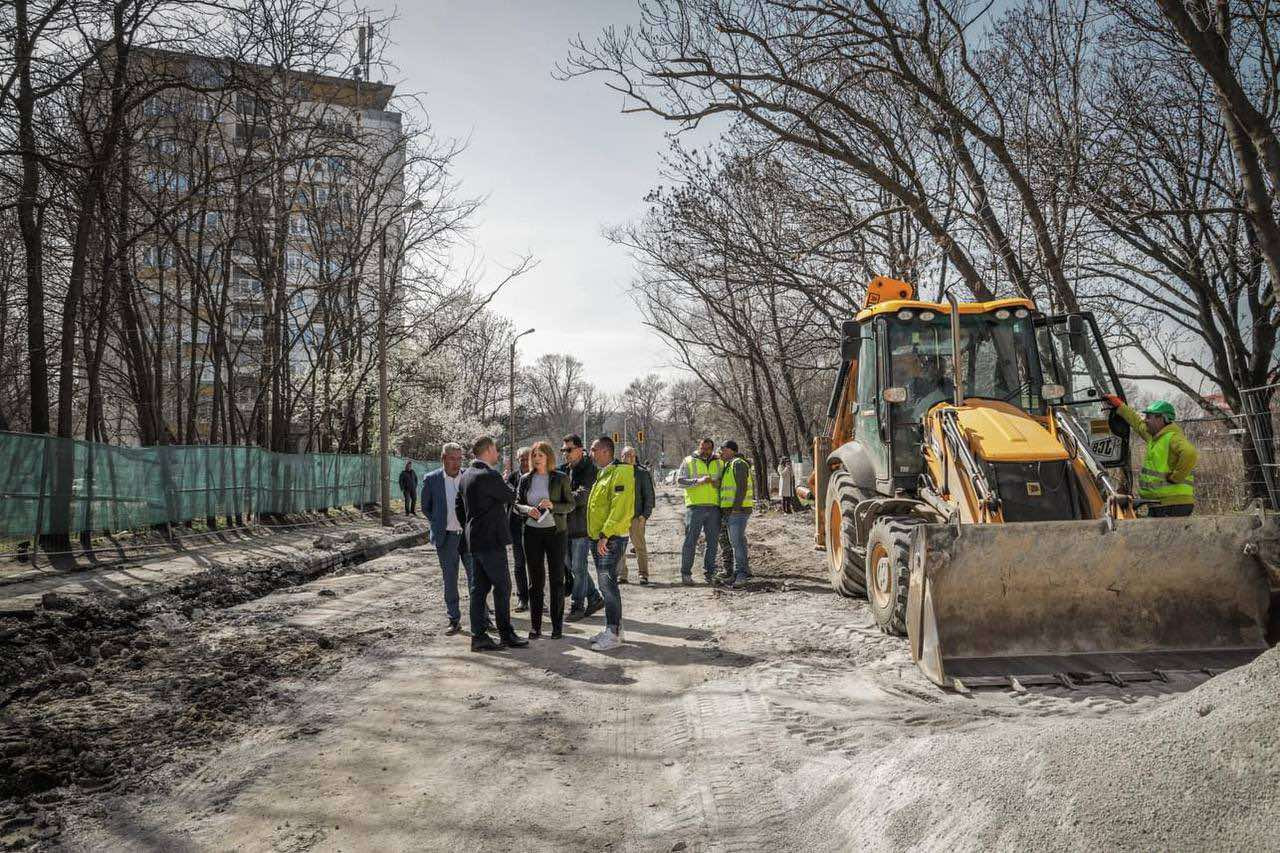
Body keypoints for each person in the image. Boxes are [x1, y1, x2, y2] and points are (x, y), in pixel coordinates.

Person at [455, 435, 528, 651]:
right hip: (491, 541)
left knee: (479, 589)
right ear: (487, 450)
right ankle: (506, 634)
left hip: (474, 540)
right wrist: (504, 479)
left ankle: (479, 636)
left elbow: (459, 506)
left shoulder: (466, 475)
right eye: (495, 450)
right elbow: (511, 495)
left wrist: (471, 526)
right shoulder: (489, 475)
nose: (497, 453)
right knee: (503, 586)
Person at [514, 441, 574, 639]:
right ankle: (536, 627)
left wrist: (553, 505)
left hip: (556, 533)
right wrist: (526, 509)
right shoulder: (525, 479)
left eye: (540, 455)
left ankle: (557, 627)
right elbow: (516, 505)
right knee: (535, 582)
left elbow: (570, 505)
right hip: (532, 533)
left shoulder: (560, 478)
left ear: (548, 456)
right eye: (534, 455)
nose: (536, 458)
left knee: (557, 580)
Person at [420, 443, 481, 635]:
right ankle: (454, 619)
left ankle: (481, 618)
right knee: (450, 580)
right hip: (446, 539)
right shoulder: (432, 480)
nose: (456, 463)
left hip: (469, 537)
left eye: (459, 458)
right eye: (452, 459)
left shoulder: (470, 477)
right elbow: (426, 507)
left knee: (477, 579)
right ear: (443, 459)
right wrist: (439, 523)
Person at [1103, 396, 1198, 517]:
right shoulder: (1155, 437)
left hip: (1172, 504)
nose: (1145, 420)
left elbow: (1190, 453)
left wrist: (1176, 477)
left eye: (1149, 417)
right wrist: (1120, 406)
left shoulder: (1173, 437)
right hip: (1161, 503)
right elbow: (1137, 423)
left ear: (1161, 419)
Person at [585, 435, 635, 651]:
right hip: (599, 538)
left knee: (607, 584)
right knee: (606, 584)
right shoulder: (603, 473)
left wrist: (606, 534)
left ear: (606, 451)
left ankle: (613, 633)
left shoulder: (621, 472)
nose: (591, 453)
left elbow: (620, 507)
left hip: (610, 538)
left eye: (594, 449)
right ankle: (614, 628)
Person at [560, 434, 605, 620]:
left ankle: (577, 606)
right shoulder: (564, 470)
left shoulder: (590, 470)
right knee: (573, 566)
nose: (565, 454)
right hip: (565, 527)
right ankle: (594, 597)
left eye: (569, 450)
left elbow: (583, 495)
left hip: (582, 527)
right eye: (563, 450)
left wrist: (560, 500)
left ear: (580, 449)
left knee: (578, 567)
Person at [676, 437, 724, 585]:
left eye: (707, 449)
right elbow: (680, 481)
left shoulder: (719, 462)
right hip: (695, 507)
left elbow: (724, 481)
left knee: (713, 542)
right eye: (702, 448)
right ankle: (686, 574)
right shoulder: (689, 460)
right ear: (699, 446)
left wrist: (716, 483)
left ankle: (709, 573)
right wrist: (698, 481)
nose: (704, 451)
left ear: (712, 449)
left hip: (714, 507)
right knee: (690, 541)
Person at [714, 441, 754, 586]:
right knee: (738, 541)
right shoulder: (729, 465)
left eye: (723, 449)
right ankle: (740, 572)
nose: (721, 452)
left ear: (731, 450)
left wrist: (736, 507)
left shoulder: (738, 463)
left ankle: (741, 574)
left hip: (738, 511)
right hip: (732, 511)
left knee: (736, 542)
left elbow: (742, 487)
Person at [617, 446, 655, 584]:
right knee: (620, 548)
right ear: (621, 457)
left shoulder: (642, 473)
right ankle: (622, 574)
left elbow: (649, 496)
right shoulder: (616, 472)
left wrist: (645, 515)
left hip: (636, 516)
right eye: (626, 455)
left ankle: (643, 574)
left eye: (632, 455)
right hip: (620, 517)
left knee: (639, 546)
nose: (629, 458)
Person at [505, 446, 532, 612]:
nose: (523, 462)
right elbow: (507, 498)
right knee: (519, 563)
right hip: (516, 526)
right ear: (517, 460)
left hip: (534, 526)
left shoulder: (538, 476)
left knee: (534, 564)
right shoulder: (512, 478)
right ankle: (522, 598)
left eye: (526, 458)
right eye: (521, 459)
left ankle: (537, 598)